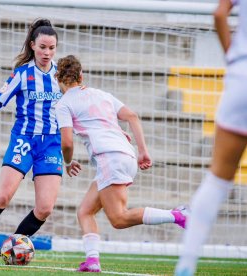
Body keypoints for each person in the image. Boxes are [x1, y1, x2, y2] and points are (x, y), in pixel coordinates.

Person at [54, 55, 188, 273]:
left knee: (118, 218)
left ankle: (178, 215)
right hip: (126, 154)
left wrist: (67, 162)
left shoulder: (64, 104)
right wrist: (143, 151)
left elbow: (67, 143)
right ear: (81, 76)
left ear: (57, 78)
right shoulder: (102, 95)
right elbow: (132, 116)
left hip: (109, 158)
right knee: (85, 211)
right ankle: (92, 260)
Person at [0, 18, 63, 264]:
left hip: (51, 144)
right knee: (3, 197)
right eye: (42, 47)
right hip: (24, 141)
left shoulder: (63, 74)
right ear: (32, 45)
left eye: (51, 48)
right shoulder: (22, 74)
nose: (46, 53)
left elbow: (80, 108)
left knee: (45, 208)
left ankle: (14, 246)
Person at [175, 1, 247, 275]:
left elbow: (219, 13)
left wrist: (233, 57)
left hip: (242, 77)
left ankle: (187, 263)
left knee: (217, 179)